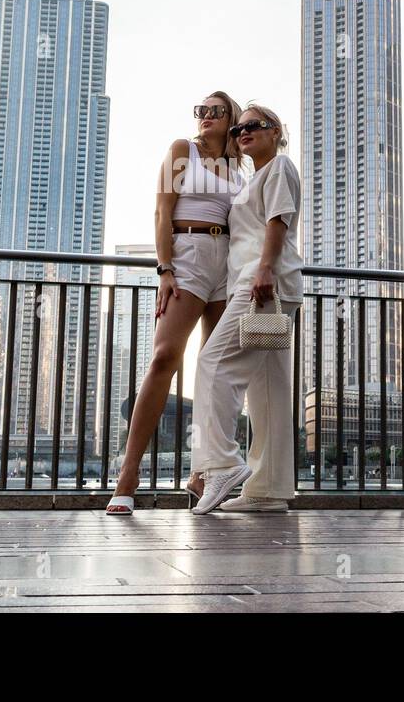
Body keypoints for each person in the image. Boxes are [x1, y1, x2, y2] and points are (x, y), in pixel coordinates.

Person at [106, 94, 244, 514]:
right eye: (200, 111)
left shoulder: (241, 167)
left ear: (231, 119)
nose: (204, 117)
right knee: (165, 357)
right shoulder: (183, 150)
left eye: (214, 111)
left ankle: (202, 474)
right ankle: (128, 474)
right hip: (187, 253)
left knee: (215, 370)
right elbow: (161, 212)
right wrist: (164, 268)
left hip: (229, 261)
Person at [190, 105, 304, 515]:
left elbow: (278, 222)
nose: (243, 132)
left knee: (212, 363)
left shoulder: (279, 167)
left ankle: (221, 463)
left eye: (253, 125)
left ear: (276, 131)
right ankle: (269, 490)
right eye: (239, 128)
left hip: (262, 285)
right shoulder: (251, 179)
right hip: (264, 285)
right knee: (268, 389)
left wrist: (265, 270)